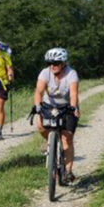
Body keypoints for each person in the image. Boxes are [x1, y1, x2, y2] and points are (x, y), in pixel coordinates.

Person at [33, 47, 79, 185]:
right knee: (40, 126)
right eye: (50, 63)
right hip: (49, 106)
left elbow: (73, 93)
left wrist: (73, 107)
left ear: (63, 63)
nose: (52, 66)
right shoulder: (45, 73)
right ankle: (50, 142)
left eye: (56, 63)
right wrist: (37, 106)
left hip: (66, 106)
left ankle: (68, 171)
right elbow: (39, 91)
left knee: (67, 139)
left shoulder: (71, 74)